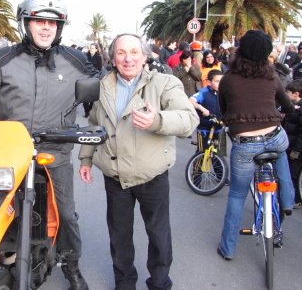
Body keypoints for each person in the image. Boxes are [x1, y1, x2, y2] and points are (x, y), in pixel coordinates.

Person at [0, 0, 101, 290]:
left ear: (59, 28)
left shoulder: (74, 60)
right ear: (26, 23)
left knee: (65, 212)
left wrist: (108, 124)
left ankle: (71, 265)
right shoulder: (4, 58)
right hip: (9, 153)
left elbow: (102, 92)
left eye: (52, 22)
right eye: (39, 21)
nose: (45, 27)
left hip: (55, 152)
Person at [78, 33, 199, 290]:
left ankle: (159, 282)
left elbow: (189, 120)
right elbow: (93, 125)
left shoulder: (165, 83)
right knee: (119, 236)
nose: (128, 58)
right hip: (115, 177)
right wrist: (86, 159)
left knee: (158, 235)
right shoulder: (102, 87)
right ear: (112, 57)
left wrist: (158, 121)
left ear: (145, 56)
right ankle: (124, 282)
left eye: (134, 52)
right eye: (121, 52)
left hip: (151, 177)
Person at [217, 30, 295, 260]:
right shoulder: (271, 77)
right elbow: (287, 105)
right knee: (280, 149)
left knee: (237, 195)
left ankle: (228, 248)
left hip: (245, 144)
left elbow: (224, 110)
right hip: (274, 135)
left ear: (240, 51)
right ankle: (288, 199)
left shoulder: (229, 79)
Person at [281, 80, 302, 193]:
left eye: (288, 92)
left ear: (296, 94)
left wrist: (296, 150)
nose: (285, 94)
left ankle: (298, 198)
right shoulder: (292, 107)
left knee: (295, 174)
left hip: (296, 148)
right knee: (289, 172)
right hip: (289, 145)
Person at [189, 69, 224, 152]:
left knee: (219, 156)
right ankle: (198, 163)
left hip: (219, 127)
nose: (220, 84)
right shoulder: (204, 93)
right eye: (217, 81)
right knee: (202, 153)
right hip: (204, 128)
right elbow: (190, 100)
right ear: (209, 82)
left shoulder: (224, 93)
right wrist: (201, 108)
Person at [83, 43, 103, 117]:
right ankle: (86, 111)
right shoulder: (85, 56)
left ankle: (91, 110)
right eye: (90, 48)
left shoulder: (98, 57)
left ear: (96, 49)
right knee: (84, 96)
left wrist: (93, 73)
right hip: (85, 78)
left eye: (93, 48)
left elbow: (99, 69)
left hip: (94, 78)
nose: (91, 49)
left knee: (91, 96)